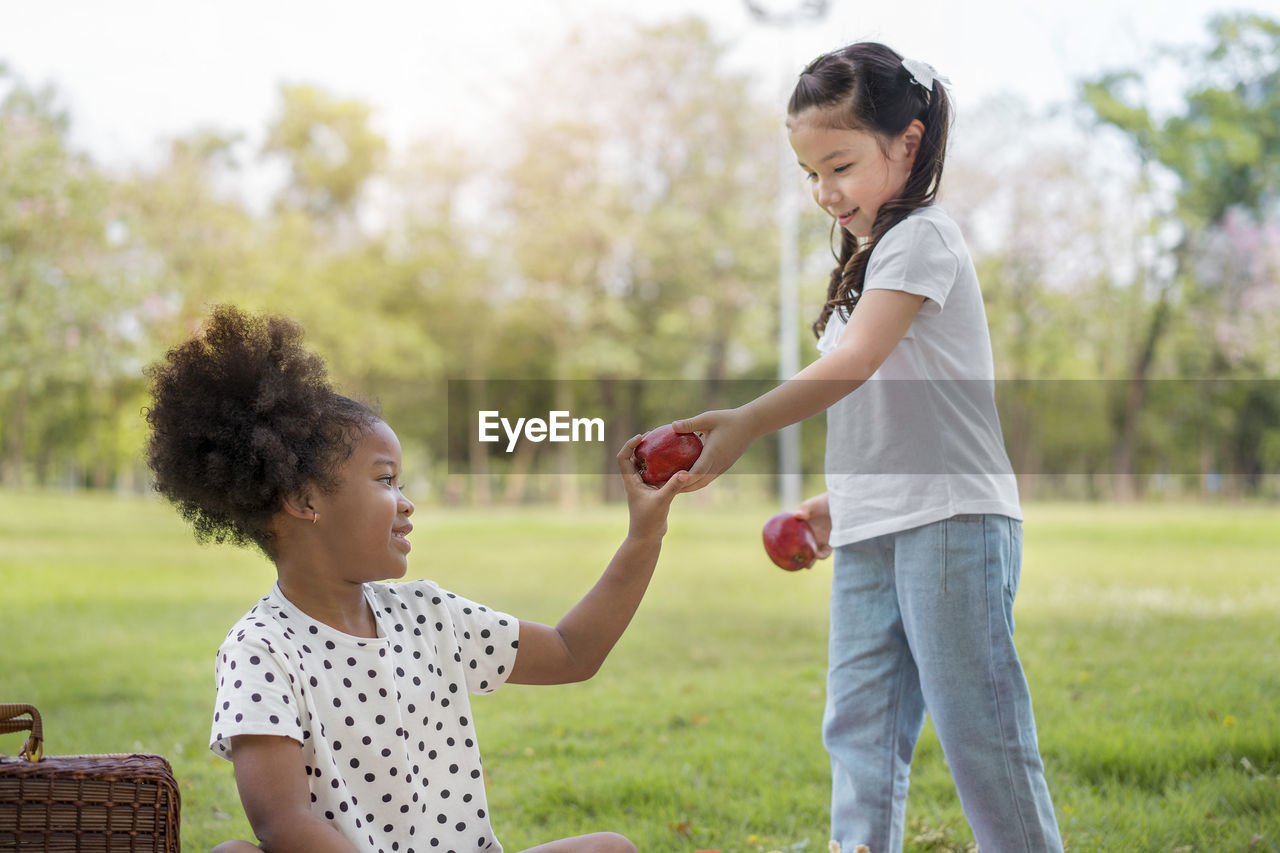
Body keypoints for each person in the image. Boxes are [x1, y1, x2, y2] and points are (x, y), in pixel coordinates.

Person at [669, 43, 1064, 853]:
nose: (824, 192)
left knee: (979, 734)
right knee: (858, 731)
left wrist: (745, 420)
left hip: (952, 523)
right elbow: (890, 414)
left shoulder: (923, 238)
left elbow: (854, 366)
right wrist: (834, 503)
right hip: (873, 526)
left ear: (908, 143)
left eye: (840, 165)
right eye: (811, 173)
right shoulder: (869, 258)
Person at [144, 305, 685, 853]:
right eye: (386, 480)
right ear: (305, 500)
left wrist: (645, 534)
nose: (406, 504)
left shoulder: (428, 614)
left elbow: (573, 652)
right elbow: (283, 824)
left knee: (611, 848)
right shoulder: (261, 650)